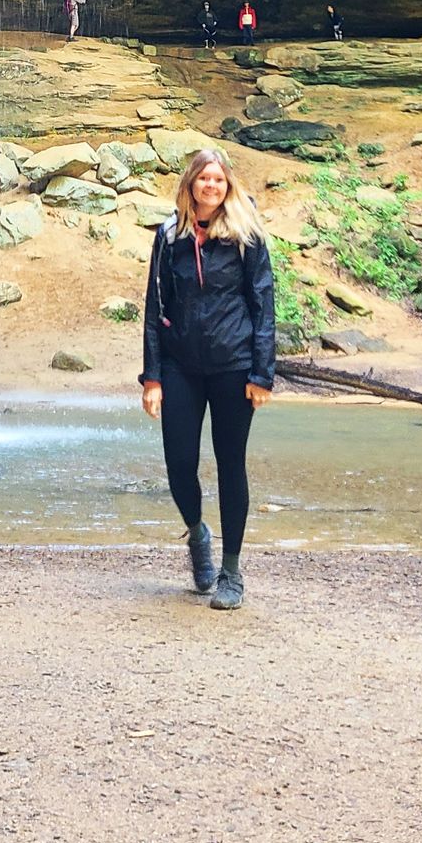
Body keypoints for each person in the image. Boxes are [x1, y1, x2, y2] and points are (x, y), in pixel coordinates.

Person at [140, 146, 275, 610]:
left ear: (227, 185)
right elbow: (155, 309)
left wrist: (262, 373)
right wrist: (152, 377)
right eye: (204, 179)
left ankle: (231, 573)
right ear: (191, 184)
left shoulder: (245, 234)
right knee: (179, 465)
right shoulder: (169, 235)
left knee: (230, 464)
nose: (211, 186)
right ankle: (197, 532)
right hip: (180, 365)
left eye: (218, 180)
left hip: (234, 365)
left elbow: (263, 304)